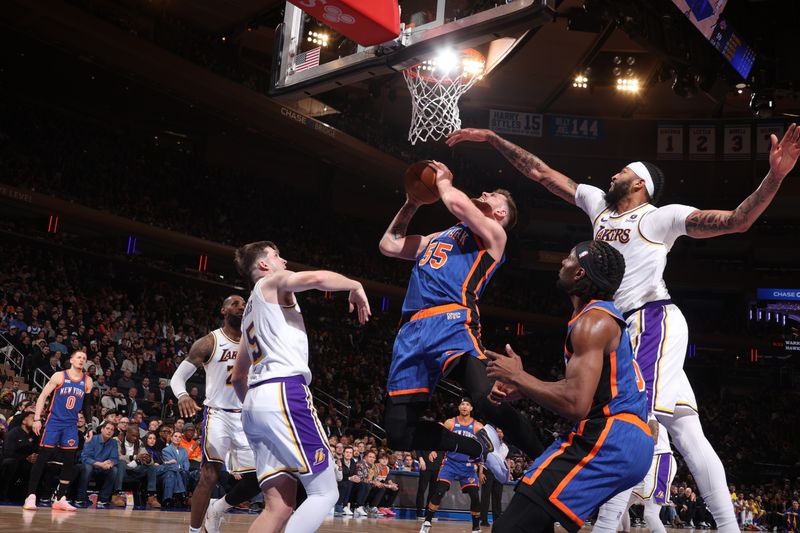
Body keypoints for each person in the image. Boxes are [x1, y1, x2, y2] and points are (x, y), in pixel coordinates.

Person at [447, 124, 800, 533]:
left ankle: (606, 526)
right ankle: (728, 528)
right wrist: (492, 139)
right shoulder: (598, 204)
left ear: (639, 183)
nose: (611, 175)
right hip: (618, 325)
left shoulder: (659, 217)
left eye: (620, 172)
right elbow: (541, 173)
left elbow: (736, 221)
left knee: (627, 420)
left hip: (650, 319)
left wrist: (775, 175)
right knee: (687, 433)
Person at [378, 161, 543, 480]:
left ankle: (551, 460)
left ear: (501, 215)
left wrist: (443, 181)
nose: (484, 193)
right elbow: (389, 245)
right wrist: (411, 204)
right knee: (398, 434)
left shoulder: (494, 235)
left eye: (493, 196)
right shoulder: (441, 235)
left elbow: (455, 202)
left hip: (452, 319)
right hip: (410, 331)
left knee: (487, 401)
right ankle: (477, 449)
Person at [486, 240, 653, 533]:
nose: (563, 261)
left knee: (510, 527)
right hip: (624, 437)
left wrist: (518, 377)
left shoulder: (592, 322)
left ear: (580, 273)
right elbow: (583, 388)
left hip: (609, 437)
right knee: (532, 520)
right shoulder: (596, 317)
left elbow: (576, 404)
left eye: (570, 258)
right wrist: (526, 388)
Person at [230, 240, 371, 533]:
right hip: (282, 392)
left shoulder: (248, 316)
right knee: (325, 492)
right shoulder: (272, 281)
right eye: (277, 256)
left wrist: (258, 409)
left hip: (255, 402)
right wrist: (354, 285)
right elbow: (316, 278)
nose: (284, 261)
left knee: (278, 508)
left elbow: (238, 375)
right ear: (264, 265)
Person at [171, 295, 261, 533]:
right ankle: (193, 531)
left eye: (244, 304)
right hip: (218, 414)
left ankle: (218, 508)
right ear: (223, 310)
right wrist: (183, 395)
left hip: (246, 416)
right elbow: (178, 378)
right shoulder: (209, 342)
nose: (241, 307)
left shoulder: (255, 342)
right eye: (235, 304)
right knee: (209, 476)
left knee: (260, 478)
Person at [24, 350, 92, 511]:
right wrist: (37, 418)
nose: (81, 360)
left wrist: (89, 426)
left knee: (69, 461)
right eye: (79, 357)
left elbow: (87, 406)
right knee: (43, 458)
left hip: (71, 425)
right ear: (72, 360)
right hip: (54, 422)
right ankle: (31, 496)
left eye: (84, 358)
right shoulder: (59, 376)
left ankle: (60, 497)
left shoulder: (87, 381)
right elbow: (42, 396)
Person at [594, 421, 677, 533]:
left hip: (658, 460)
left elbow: (652, 437)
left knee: (650, 515)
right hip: (643, 462)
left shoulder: (646, 411)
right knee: (617, 506)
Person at [420, 398, 485, 533]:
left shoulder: (478, 426)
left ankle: (476, 527)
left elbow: (483, 449)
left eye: (467, 404)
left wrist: (478, 466)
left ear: (471, 408)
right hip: (450, 463)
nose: (464, 407)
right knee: (439, 491)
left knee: (474, 495)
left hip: (467, 466)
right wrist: (433, 449)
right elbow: (438, 436)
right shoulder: (450, 422)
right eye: (462, 404)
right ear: (459, 407)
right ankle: (427, 522)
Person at [76, 420, 125, 508]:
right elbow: (85, 458)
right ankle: (80, 498)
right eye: (107, 428)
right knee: (88, 467)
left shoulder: (113, 442)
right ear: (102, 429)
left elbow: (115, 458)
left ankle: (103, 499)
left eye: (112, 430)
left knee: (114, 469)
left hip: (103, 467)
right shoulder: (92, 439)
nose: (109, 431)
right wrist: (99, 464)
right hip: (90, 465)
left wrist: (110, 463)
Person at [480, 426, 508, 526]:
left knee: (497, 497)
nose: (499, 434)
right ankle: (483, 520)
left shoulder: (505, 447)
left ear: (503, 434)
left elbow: (503, 461)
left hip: (499, 473)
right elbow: (482, 458)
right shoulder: (488, 444)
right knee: (485, 496)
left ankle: (497, 520)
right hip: (488, 471)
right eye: (497, 432)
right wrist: (481, 472)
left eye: (501, 432)